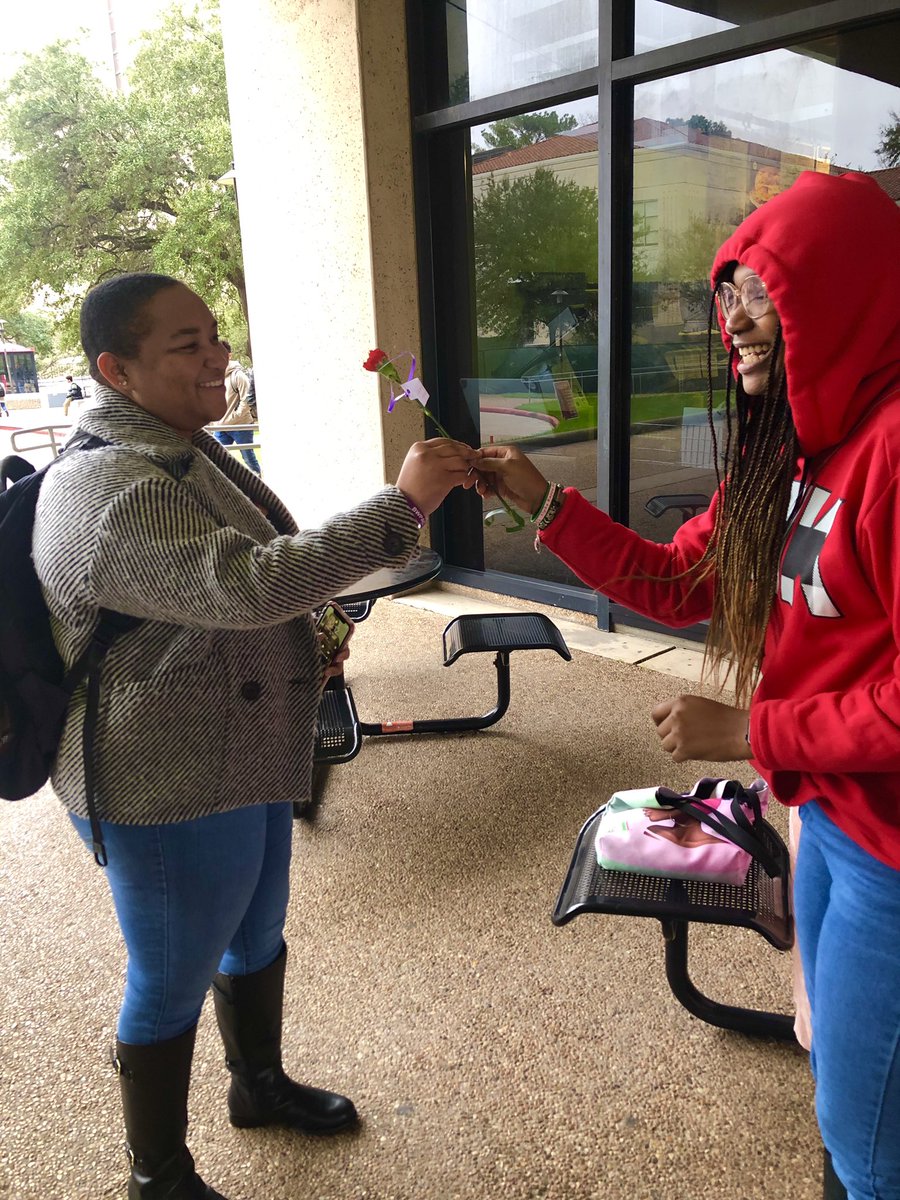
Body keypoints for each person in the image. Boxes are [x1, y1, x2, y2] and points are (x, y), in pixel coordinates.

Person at [473, 171, 900, 1200]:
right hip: (835, 818)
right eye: (731, 293)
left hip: (890, 849)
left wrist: (757, 728)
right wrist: (543, 503)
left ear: (845, 294)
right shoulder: (797, 449)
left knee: (867, 1125)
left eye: (765, 293)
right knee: (839, 1073)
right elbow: (677, 576)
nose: (736, 321)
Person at [31, 271, 477, 1200]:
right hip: (164, 775)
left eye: (215, 337)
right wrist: (400, 509)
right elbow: (247, 585)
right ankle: (157, 1174)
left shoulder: (184, 448)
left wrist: (315, 637)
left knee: (257, 928)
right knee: (171, 970)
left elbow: (246, 582)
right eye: (185, 345)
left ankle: (257, 1084)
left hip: (246, 745)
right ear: (116, 368)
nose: (216, 358)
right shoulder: (109, 485)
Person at [209, 339, 261, 473]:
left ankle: (259, 484)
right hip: (221, 426)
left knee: (248, 458)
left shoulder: (238, 376)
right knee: (217, 460)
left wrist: (236, 415)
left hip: (240, 425)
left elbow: (247, 399)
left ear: (229, 355)